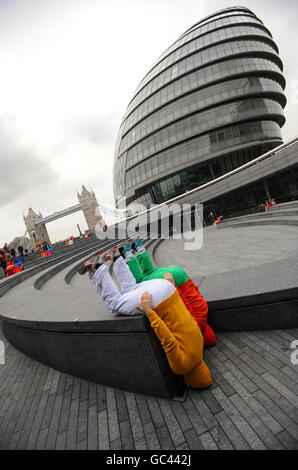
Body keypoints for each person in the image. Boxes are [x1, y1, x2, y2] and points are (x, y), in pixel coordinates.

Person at [79, 248, 212, 390]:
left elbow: (188, 312)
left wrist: (173, 286)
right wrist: (149, 311)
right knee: (115, 304)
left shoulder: (200, 343)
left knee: (132, 288)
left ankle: (117, 258)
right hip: (159, 300)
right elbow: (168, 341)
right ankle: (98, 268)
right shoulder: (183, 367)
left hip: (168, 288)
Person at [124, 243, 216, 348]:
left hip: (182, 276)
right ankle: (128, 256)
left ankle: (140, 248)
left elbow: (195, 291)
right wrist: (172, 286)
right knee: (141, 281)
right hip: (175, 280)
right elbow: (184, 305)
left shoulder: (204, 312)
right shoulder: (196, 325)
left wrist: (184, 277)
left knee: (150, 272)